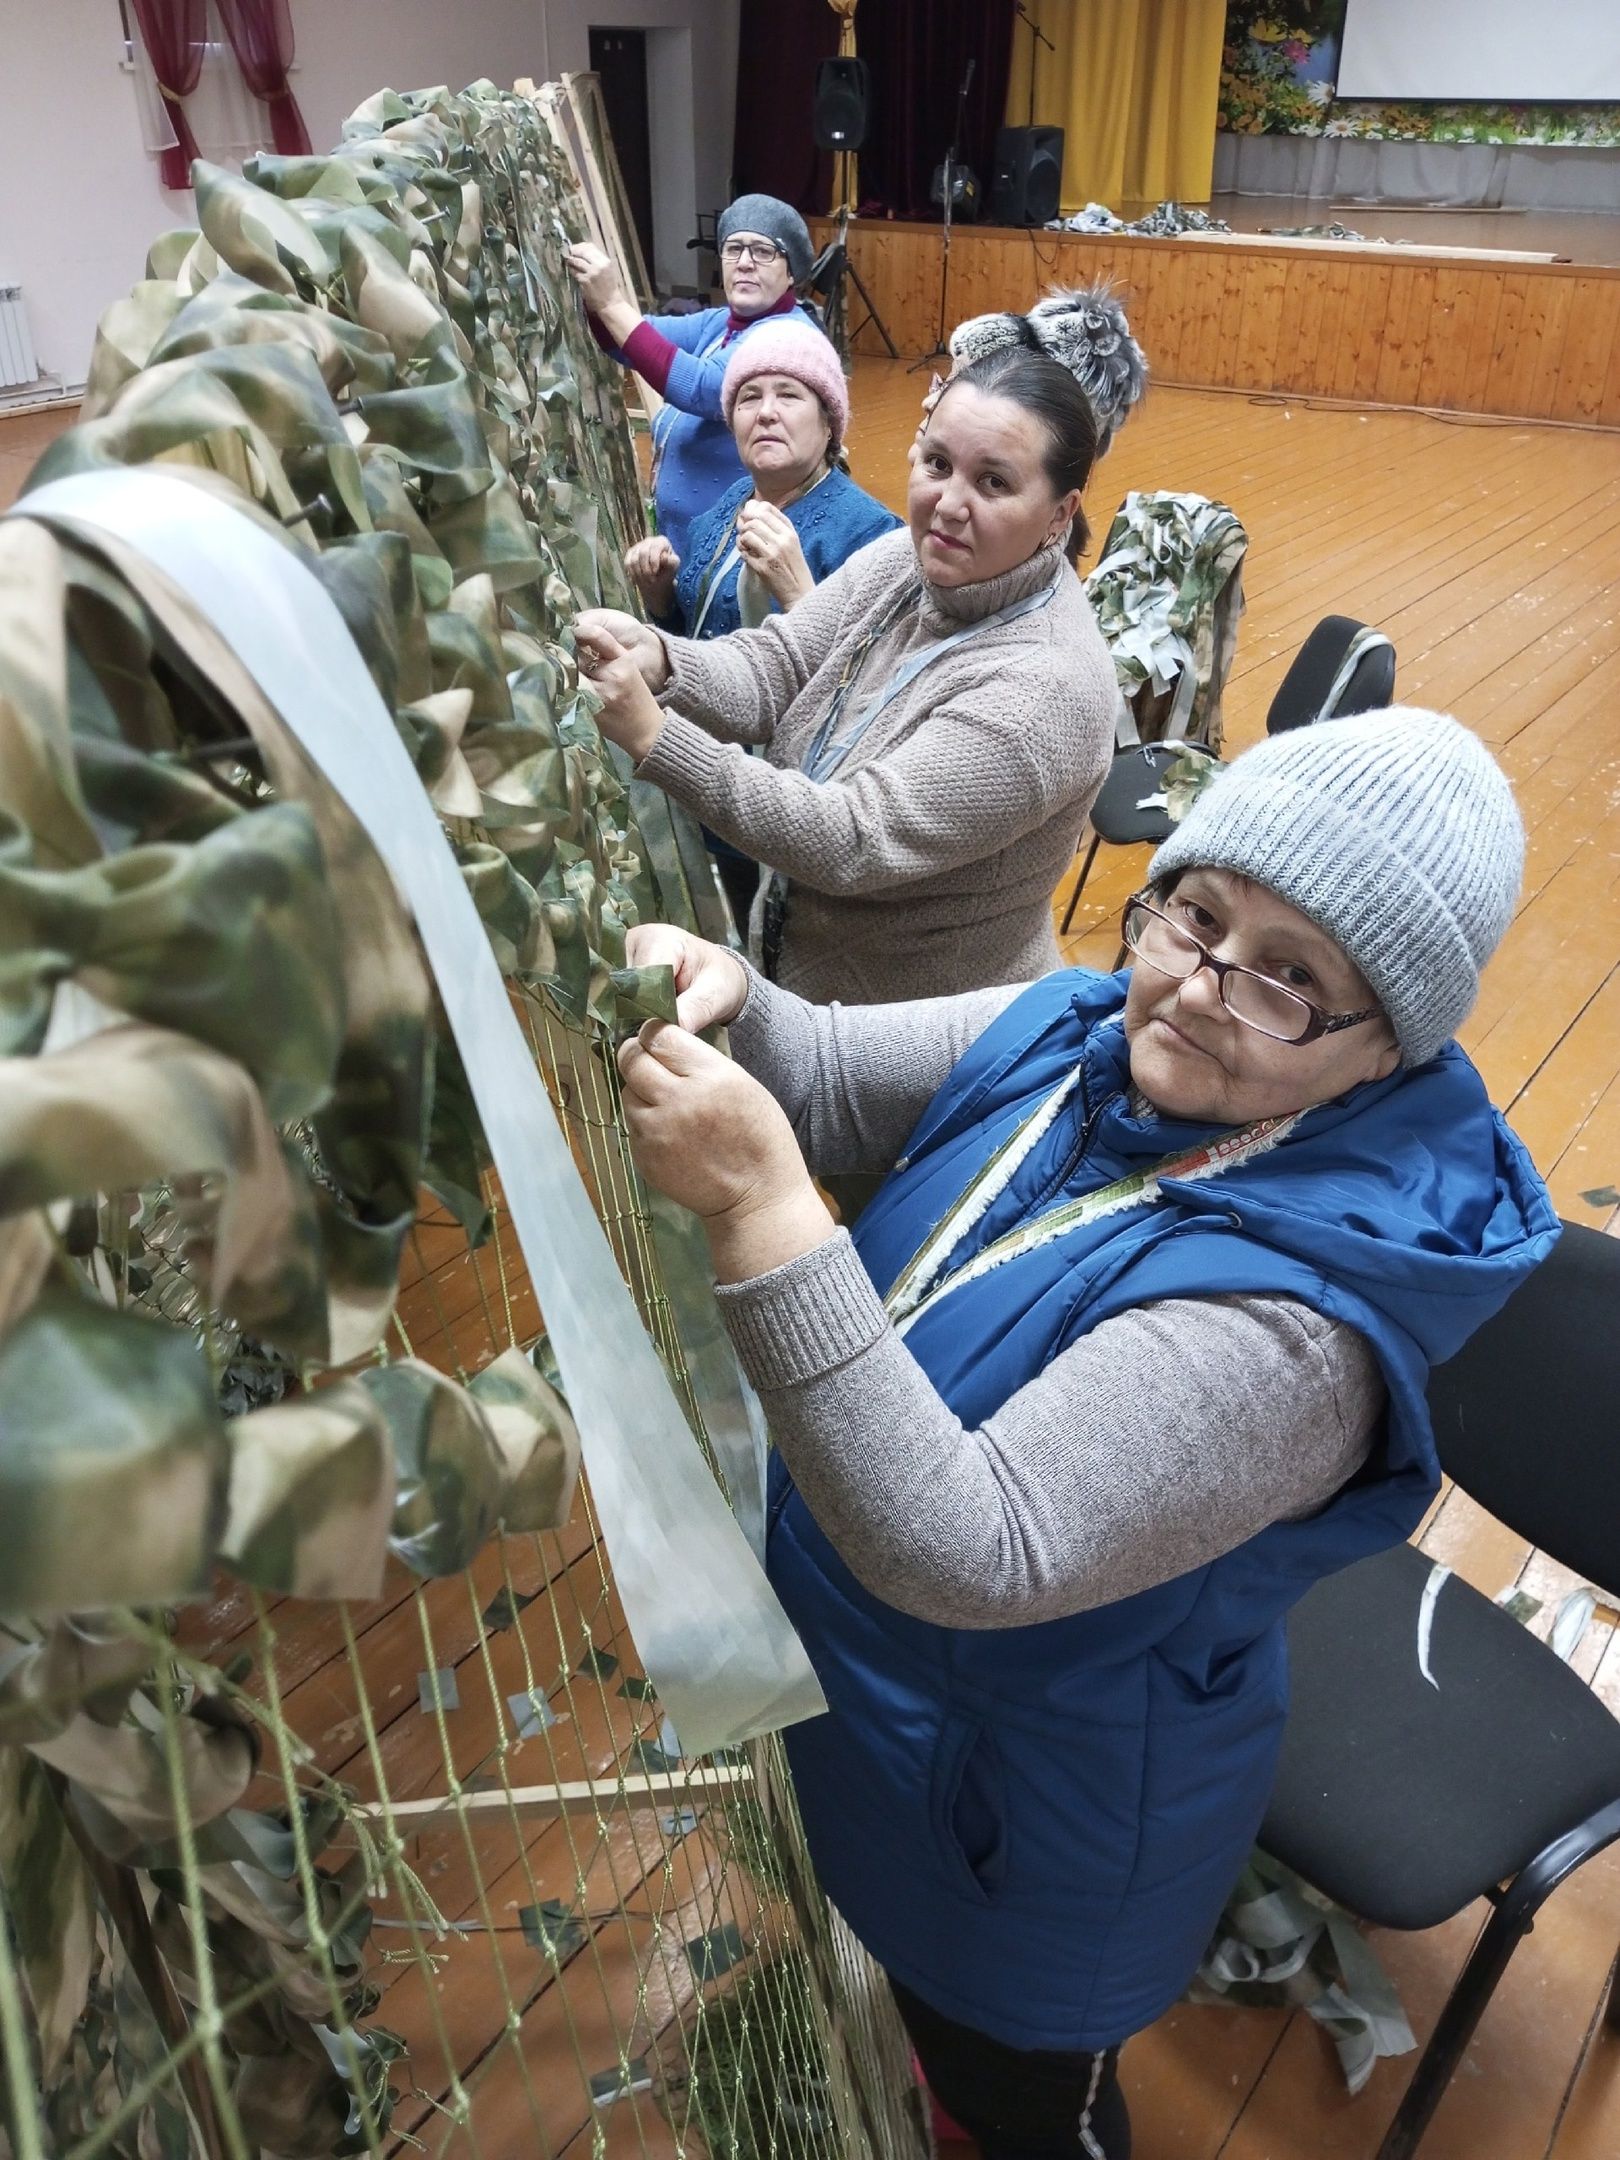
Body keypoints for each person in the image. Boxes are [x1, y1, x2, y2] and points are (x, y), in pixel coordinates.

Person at [612, 708, 1556, 2160]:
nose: (1194, 990)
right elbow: (827, 1070)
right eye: (1197, 913)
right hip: (886, 1719)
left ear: (1384, 1048)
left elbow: (967, 1545)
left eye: (1291, 980)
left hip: (1020, 1831)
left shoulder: (1295, 1335)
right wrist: (735, 993)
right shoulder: (1076, 1027)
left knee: (1017, 2108)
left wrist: (757, 1209)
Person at [572, 345, 1118, 1006]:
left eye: (994, 482)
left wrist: (654, 736)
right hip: (806, 985)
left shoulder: (1048, 691)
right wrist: (659, 657)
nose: (948, 504)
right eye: (938, 464)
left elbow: (851, 838)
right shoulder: (905, 561)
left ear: (1061, 512)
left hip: (919, 1032)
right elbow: (779, 665)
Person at [622, 318, 900, 928]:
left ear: (829, 423)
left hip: (787, 803)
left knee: (777, 935)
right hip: (700, 772)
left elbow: (876, 694)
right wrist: (661, 594)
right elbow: (696, 632)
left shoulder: (873, 536)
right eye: (750, 396)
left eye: (789, 395)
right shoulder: (731, 504)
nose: (766, 413)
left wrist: (797, 586)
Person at [566, 193, 820, 561]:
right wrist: (594, 302)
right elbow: (630, 340)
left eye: (763, 251)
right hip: (687, 550)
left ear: (792, 271)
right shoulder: (721, 324)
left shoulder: (787, 336)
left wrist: (610, 302)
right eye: (734, 248)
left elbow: (701, 387)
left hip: (732, 553)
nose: (745, 262)